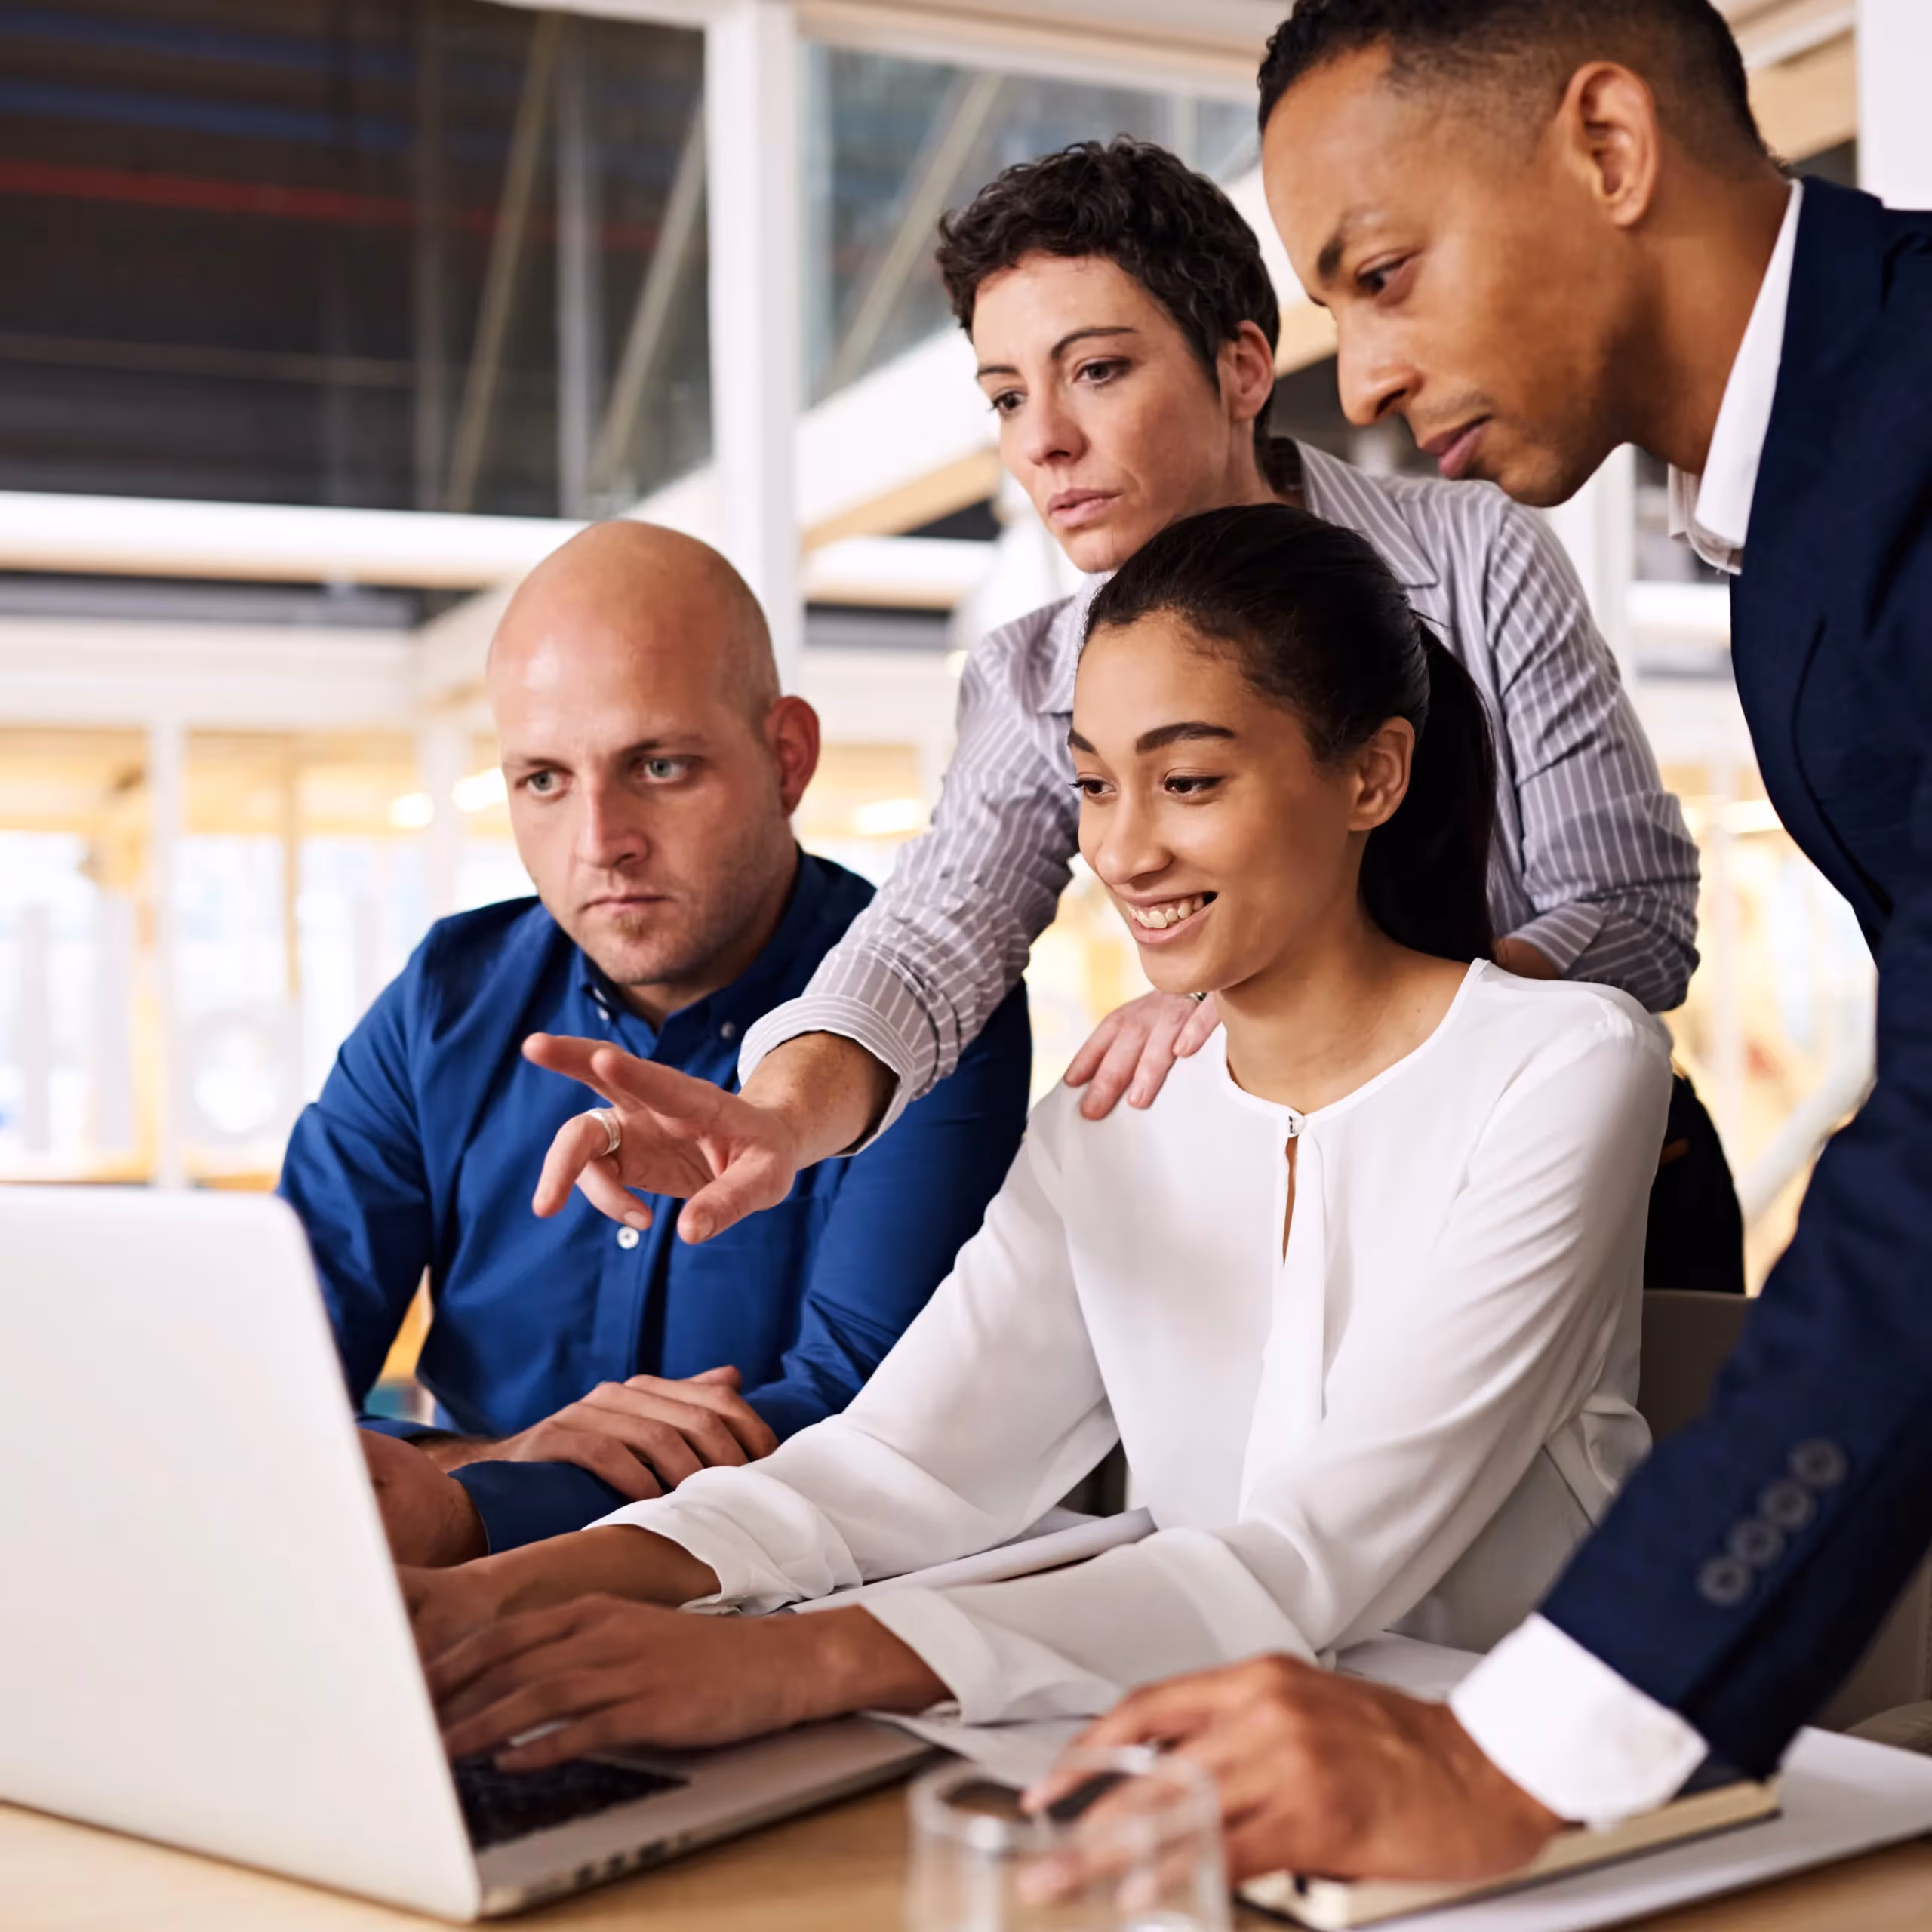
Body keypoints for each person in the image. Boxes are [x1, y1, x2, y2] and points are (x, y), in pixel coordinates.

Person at [1046, 0, 1932, 1887]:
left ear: (1606, 148)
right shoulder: (1797, 534)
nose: (1356, 380)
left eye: (1381, 273)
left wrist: (1523, 1755)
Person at [408, 506, 1672, 1769]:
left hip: (1518, 1783)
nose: (1121, 850)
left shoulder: (1566, 1066)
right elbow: (896, 1463)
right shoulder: (1114, 1118)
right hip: (1195, 1771)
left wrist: (788, 1662)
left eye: (1187, 781)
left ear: (1372, 776)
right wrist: (497, 1592)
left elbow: (1311, 1558)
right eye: (1091, 783)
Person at [526, 135, 1735, 1297]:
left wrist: (1291, 1005)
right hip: (1312, 1206)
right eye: (1006, 396)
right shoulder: (1032, 673)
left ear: (1243, 368)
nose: (1045, 441)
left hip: (1593, 1186)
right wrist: (782, 1116)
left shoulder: (1474, 557)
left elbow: (1632, 909)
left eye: (1097, 371)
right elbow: (932, 939)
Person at [280, 521, 1029, 1563]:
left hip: (784, 1625)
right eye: (543, 780)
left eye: (660, 765)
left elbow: (859, 1425)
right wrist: (501, 1461)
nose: (600, 842)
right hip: (441, 1610)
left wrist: (483, 1496)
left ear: (787, 758)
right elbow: (267, 1387)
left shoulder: (930, 1016)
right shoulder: (443, 1001)